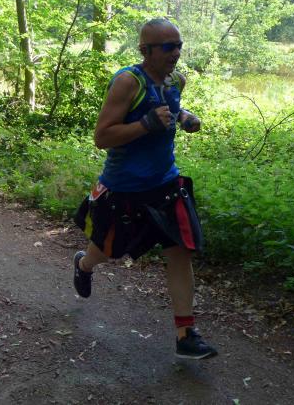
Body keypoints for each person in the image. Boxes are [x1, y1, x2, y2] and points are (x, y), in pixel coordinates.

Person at [72, 18, 217, 360]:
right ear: (145, 50)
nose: (176, 53)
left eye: (179, 45)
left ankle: (185, 334)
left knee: (180, 251)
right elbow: (102, 137)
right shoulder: (128, 82)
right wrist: (145, 124)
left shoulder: (176, 80)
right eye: (168, 47)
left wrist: (184, 118)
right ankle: (84, 265)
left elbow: (172, 109)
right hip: (124, 189)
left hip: (166, 184)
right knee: (107, 252)